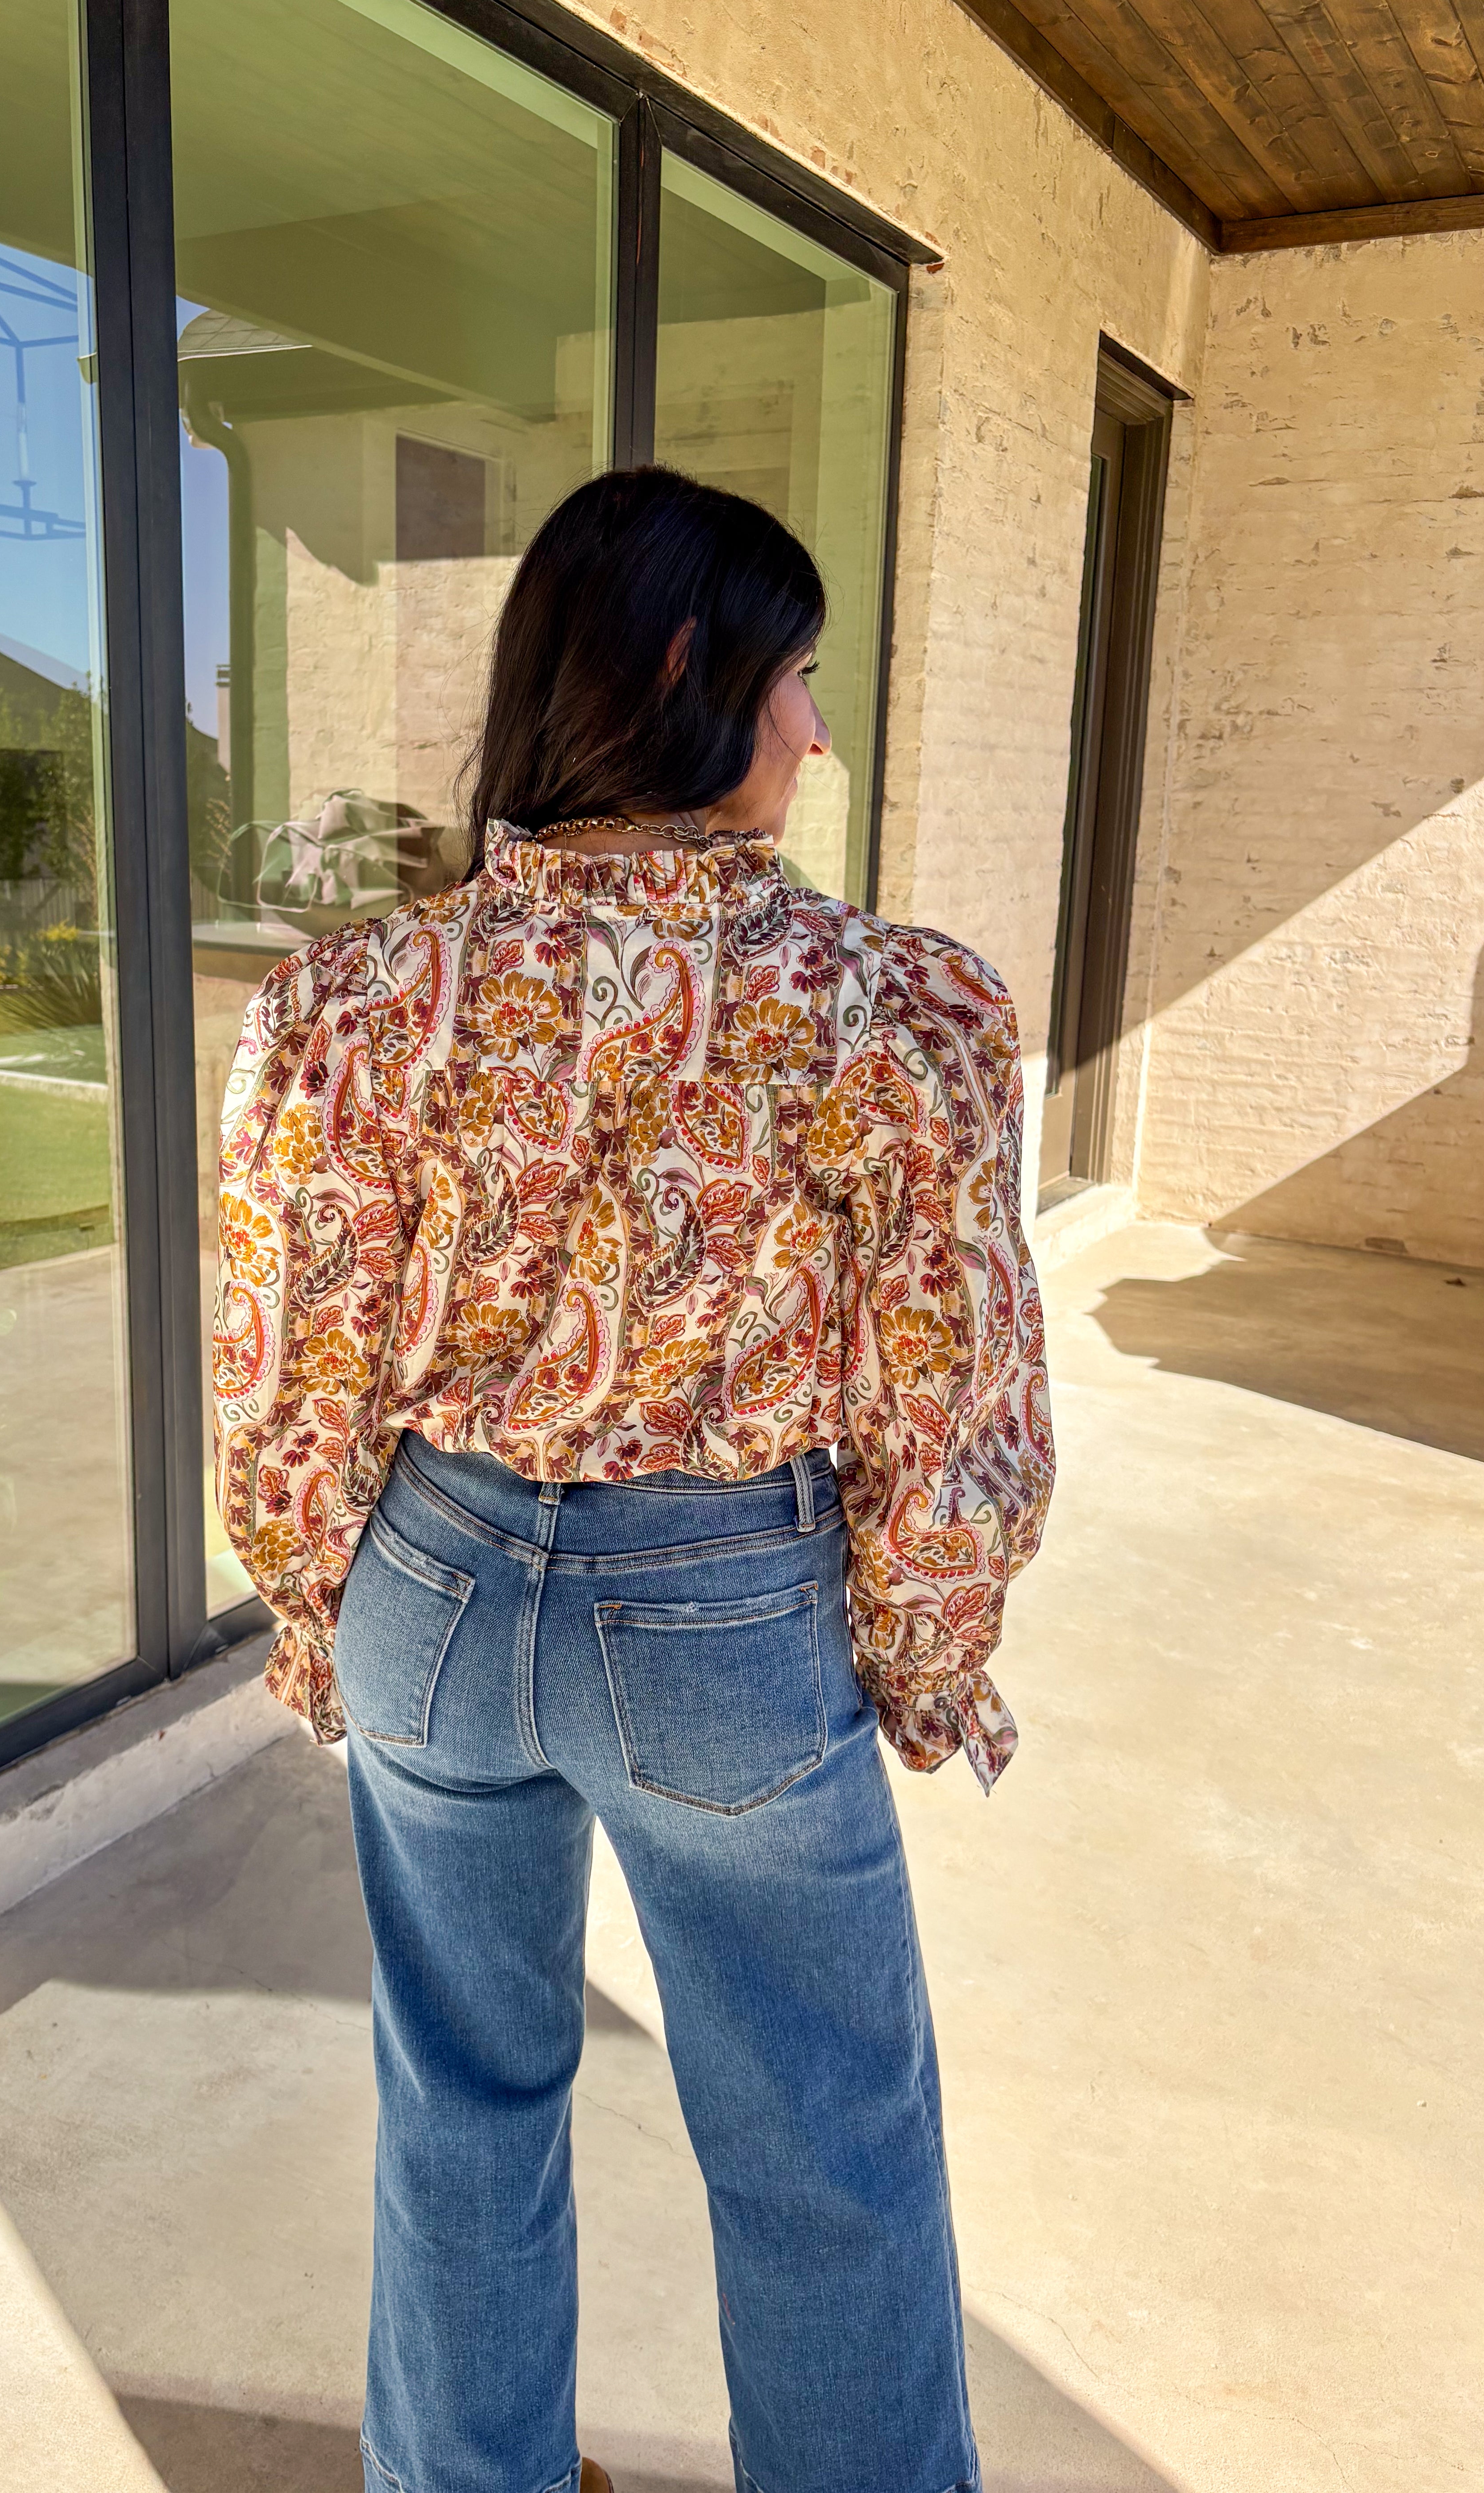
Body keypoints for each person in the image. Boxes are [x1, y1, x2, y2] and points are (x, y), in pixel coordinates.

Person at [214, 465, 1053, 2493]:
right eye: (798, 678)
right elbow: (948, 1393)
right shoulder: (893, 1008)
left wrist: (319, 1609)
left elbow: (285, 1361)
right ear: (689, 666)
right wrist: (925, 1654)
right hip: (722, 1629)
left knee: (462, 2097)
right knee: (823, 2139)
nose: (816, 734)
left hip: (429, 1588)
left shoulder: (354, 1002)